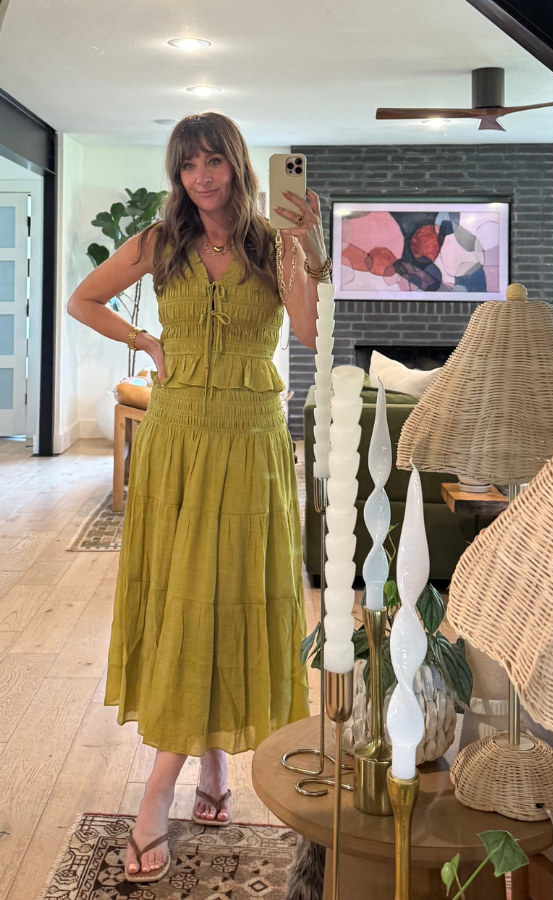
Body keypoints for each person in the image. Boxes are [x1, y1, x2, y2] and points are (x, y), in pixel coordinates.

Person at [67, 111, 332, 882]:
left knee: (226, 595)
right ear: (178, 175)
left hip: (249, 444)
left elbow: (309, 333)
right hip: (177, 442)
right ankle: (202, 768)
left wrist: (312, 247)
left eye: (215, 161)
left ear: (238, 165)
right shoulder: (160, 242)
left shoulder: (275, 244)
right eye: (189, 165)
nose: (203, 177)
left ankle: (164, 789)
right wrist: (144, 341)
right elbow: (83, 300)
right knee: (186, 599)